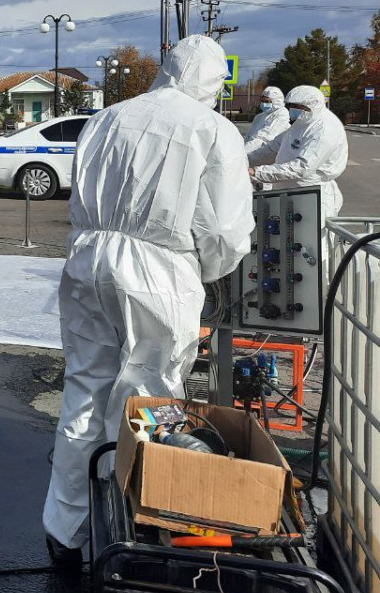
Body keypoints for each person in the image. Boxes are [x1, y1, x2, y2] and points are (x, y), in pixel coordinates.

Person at [42, 35, 254, 562]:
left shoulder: (107, 118)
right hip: (158, 271)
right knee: (147, 402)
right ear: (213, 78)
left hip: (87, 258)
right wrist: (205, 273)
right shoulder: (212, 129)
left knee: (85, 390)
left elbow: (80, 193)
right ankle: (133, 538)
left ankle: (65, 530)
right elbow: (223, 233)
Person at [246, 84, 348, 229]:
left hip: (312, 196)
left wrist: (256, 172)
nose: (292, 110)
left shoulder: (324, 129)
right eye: (290, 106)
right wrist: (244, 161)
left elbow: (302, 168)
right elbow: (272, 148)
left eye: (297, 106)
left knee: (312, 245)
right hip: (288, 193)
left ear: (312, 106)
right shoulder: (302, 122)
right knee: (284, 241)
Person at [244, 85, 289, 150]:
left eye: (267, 101)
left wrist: (245, 151)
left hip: (268, 151)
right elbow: (249, 135)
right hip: (253, 150)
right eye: (262, 101)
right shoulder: (260, 117)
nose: (263, 103)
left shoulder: (282, 113)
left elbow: (266, 136)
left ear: (276, 101)